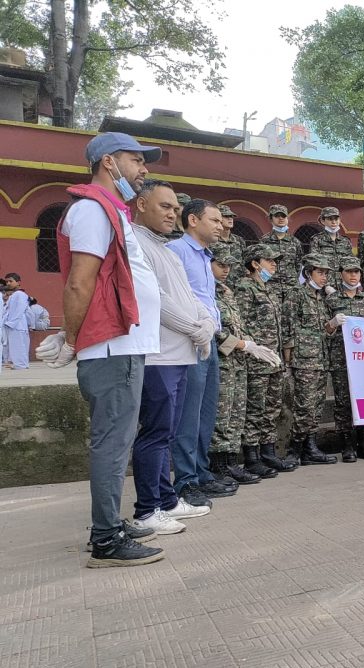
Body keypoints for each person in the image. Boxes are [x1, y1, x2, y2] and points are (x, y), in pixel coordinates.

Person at [38, 131, 164, 566]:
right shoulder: (93, 210)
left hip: (122, 346)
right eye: (136, 160)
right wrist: (71, 338)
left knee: (119, 438)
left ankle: (110, 522)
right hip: (112, 347)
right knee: (113, 442)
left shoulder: (111, 210)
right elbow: (80, 280)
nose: (143, 169)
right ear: (109, 162)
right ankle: (106, 540)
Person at [130, 179, 214, 535]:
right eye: (165, 206)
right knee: (155, 432)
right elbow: (156, 301)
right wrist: (194, 329)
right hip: (159, 355)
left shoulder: (165, 249)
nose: (173, 213)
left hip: (181, 353)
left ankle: (165, 500)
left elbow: (191, 296)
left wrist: (207, 323)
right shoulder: (136, 243)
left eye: (176, 208)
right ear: (141, 204)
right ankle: (147, 510)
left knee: (167, 432)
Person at [166, 199, 237, 505]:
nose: (220, 225)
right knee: (188, 415)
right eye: (214, 220)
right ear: (193, 220)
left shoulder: (205, 257)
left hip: (209, 344)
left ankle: (201, 472)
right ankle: (185, 481)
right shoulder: (177, 252)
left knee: (206, 414)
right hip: (188, 342)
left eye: (221, 220)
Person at [209, 249, 280, 484]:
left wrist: (250, 344)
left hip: (238, 362)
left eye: (229, 265)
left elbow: (239, 325)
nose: (226, 269)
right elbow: (214, 330)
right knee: (223, 414)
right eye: (221, 264)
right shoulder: (209, 293)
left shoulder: (226, 292)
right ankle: (220, 465)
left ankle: (231, 462)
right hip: (223, 360)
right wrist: (243, 344)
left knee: (236, 414)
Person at [235, 244, 297, 474]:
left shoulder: (269, 289)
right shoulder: (244, 288)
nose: (274, 265)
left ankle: (268, 453)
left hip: (273, 360)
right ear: (254, 263)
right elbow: (240, 323)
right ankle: (252, 457)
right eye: (269, 260)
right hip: (256, 360)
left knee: (271, 408)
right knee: (255, 409)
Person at [283, 254, 338, 466]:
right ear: (308, 273)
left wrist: (332, 324)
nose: (324, 277)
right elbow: (288, 325)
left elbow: (324, 328)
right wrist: (288, 359)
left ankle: (310, 447)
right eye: (320, 272)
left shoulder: (321, 297)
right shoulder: (296, 294)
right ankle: (294, 448)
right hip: (303, 359)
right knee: (304, 406)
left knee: (316, 406)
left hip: (321, 357)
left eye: (326, 273)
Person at [325, 256, 364, 462]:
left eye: (356, 272)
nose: (353, 275)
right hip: (341, 359)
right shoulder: (332, 300)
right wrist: (332, 323)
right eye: (349, 272)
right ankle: (347, 445)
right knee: (343, 403)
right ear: (341, 275)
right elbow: (325, 329)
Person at [260, 204, 303, 303]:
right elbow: (261, 262)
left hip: (291, 287)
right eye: (277, 216)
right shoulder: (264, 241)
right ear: (271, 219)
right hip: (271, 285)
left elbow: (298, 264)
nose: (280, 218)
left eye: (283, 216)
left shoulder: (295, 242)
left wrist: (291, 279)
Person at [212, 204, 247, 284]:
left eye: (231, 216)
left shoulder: (239, 240)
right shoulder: (212, 240)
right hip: (219, 285)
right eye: (226, 216)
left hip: (238, 285)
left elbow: (245, 263)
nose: (230, 219)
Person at [1, 273, 29, 368]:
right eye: (7, 281)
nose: (8, 283)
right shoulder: (13, 295)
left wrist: (11, 323)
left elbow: (19, 310)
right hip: (13, 325)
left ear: (18, 282)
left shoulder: (20, 294)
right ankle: (19, 364)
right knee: (15, 346)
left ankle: (21, 365)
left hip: (17, 325)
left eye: (11, 281)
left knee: (19, 346)